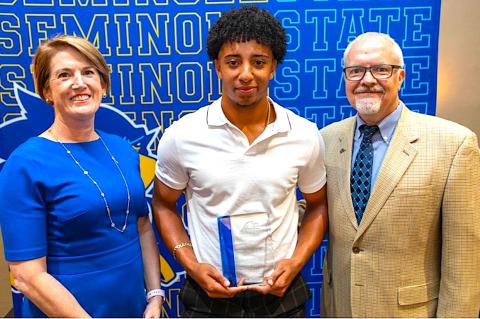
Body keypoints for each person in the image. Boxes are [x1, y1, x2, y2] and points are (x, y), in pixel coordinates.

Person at [152, 5, 328, 317]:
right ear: (217, 67)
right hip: (207, 300)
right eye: (233, 62)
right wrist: (191, 264)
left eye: (258, 62)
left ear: (273, 67)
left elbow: (318, 206)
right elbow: (164, 205)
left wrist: (297, 261)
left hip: (282, 299)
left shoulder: (303, 134)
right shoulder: (182, 136)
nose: (245, 74)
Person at [0, 35, 163, 318]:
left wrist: (155, 296)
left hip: (133, 310)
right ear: (47, 91)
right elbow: (27, 276)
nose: (79, 83)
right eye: (64, 75)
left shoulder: (122, 149)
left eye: (88, 72)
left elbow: (142, 225)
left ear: (102, 84)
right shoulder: (25, 164)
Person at [320, 32, 480, 317]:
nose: (367, 80)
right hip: (339, 308)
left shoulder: (454, 144)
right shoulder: (326, 140)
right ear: (345, 78)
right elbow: (315, 208)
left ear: (401, 77)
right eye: (355, 71)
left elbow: (464, 258)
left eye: (381, 69)